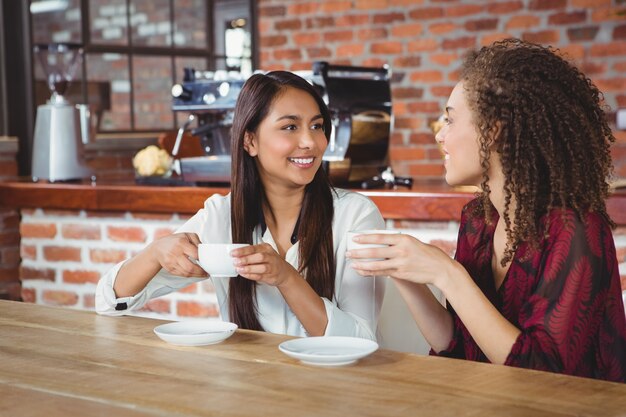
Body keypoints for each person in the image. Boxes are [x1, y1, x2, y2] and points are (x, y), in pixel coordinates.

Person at [347, 38, 626, 381]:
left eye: (449, 120)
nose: (439, 136)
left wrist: (448, 274)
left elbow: (544, 375)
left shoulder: (576, 229)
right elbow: (457, 344)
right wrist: (404, 272)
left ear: (492, 131)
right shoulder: (479, 220)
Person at [96, 71, 385, 339]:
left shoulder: (355, 216)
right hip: (249, 386)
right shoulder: (221, 217)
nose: (310, 141)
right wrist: (155, 253)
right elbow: (108, 301)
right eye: (290, 127)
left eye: (317, 126)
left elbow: (359, 340)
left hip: (333, 390)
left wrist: (286, 278)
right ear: (250, 141)